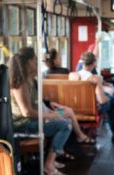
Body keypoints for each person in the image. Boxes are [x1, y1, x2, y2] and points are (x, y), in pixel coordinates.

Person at [8, 47, 71, 175]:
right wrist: (49, 115)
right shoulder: (20, 83)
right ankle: (48, 164)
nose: (37, 62)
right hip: (23, 125)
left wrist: (51, 113)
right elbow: (26, 112)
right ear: (28, 62)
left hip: (32, 121)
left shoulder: (30, 80)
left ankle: (51, 161)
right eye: (35, 59)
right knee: (65, 125)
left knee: (65, 118)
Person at [73, 52, 114, 143]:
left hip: (76, 109)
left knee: (110, 98)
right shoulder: (96, 78)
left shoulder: (73, 76)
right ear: (93, 63)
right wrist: (108, 99)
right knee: (110, 102)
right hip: (91, 109)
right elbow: (102, 100)